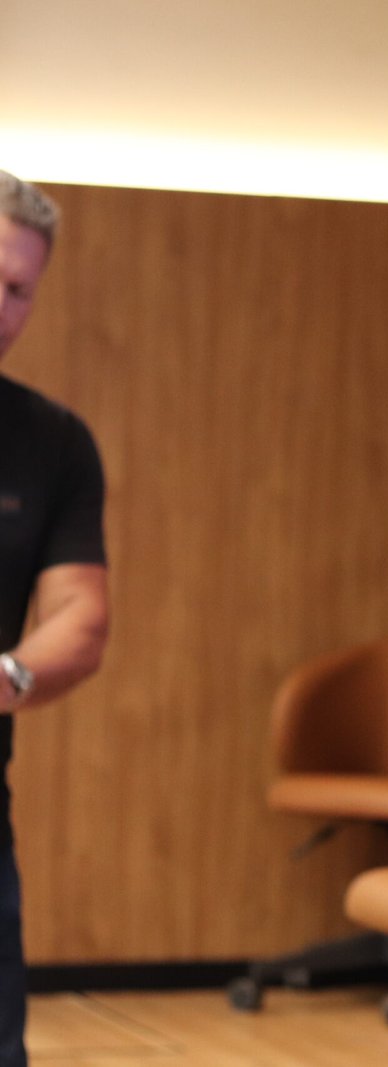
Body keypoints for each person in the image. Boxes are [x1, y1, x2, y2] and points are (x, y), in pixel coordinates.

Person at [0, 171, 111, 1066]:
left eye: (18, 288)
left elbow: (80, 615)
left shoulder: (53, 442)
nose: (1, 307)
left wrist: (9, 674)